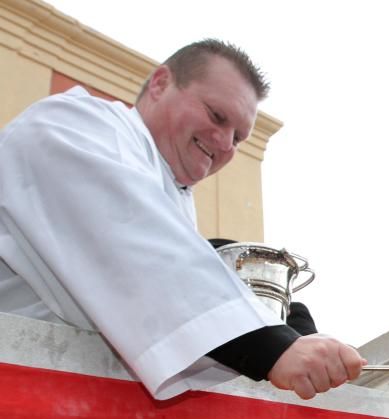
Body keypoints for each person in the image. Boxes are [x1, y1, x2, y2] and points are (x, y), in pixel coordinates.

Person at [0, 39, 363, 400]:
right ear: (160, 83)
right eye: (217, 116)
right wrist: (271, 345)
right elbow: (135, 246)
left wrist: (286, 315)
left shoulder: (169, 197)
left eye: (238, 137)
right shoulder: (73, 124)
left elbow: (180, 256)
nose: (224, 144)